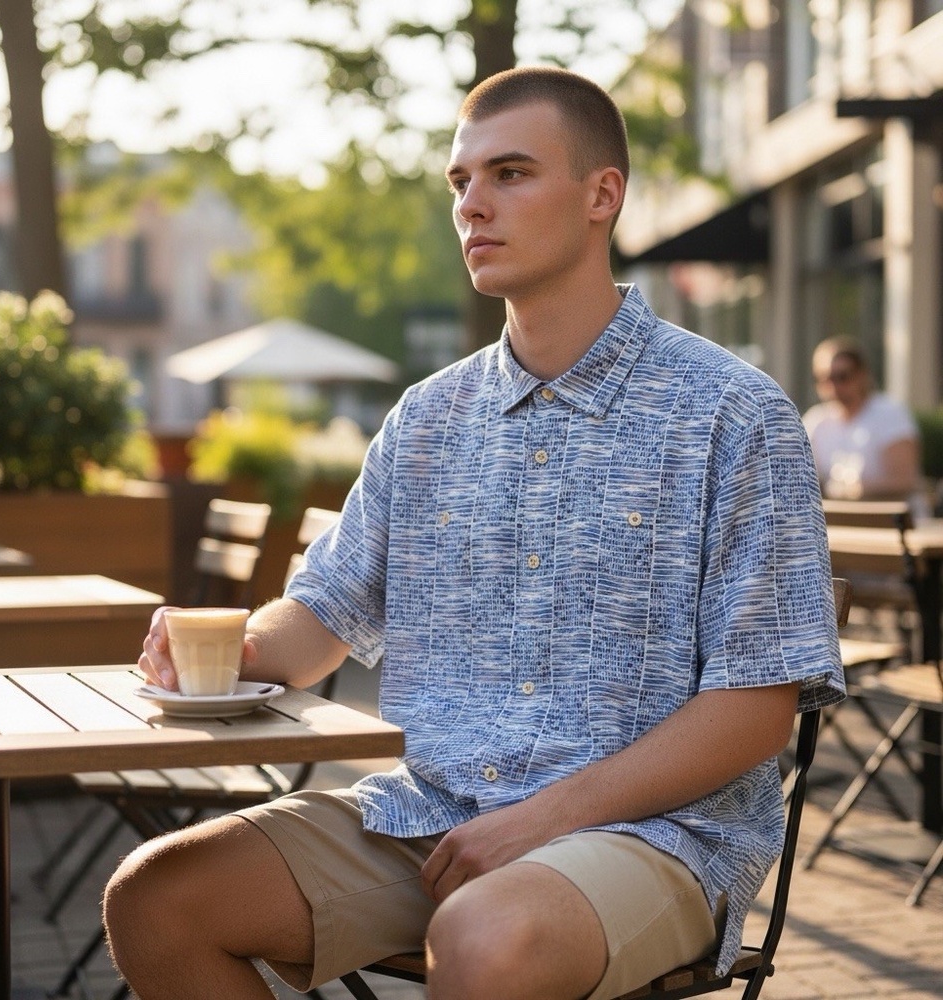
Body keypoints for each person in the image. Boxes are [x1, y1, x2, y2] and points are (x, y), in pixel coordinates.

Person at [103, 67, 844, 1000]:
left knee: (484, 935)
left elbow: (757, 709)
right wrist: (225, 651)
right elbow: (319, 618)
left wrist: (541, 820)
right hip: (434, 815)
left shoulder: (734, 414)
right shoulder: (426, 419)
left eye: (511, 174)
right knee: (158, 899)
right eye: (460, 181)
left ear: (601, 196)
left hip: (658, 836)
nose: (472, 206)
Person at [803, 336, 921, 504]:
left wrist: (853, 491)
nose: (833, 386)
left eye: (842, 376)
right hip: (837, 518)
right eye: (824, 378)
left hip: (889, 518)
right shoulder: (814, 421)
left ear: (861, 375)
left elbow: (904, 481)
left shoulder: (890, 414)